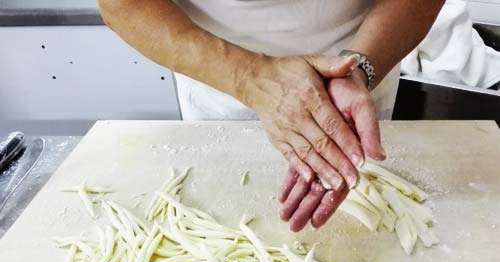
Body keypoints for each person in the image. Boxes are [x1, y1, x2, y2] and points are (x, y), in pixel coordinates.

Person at [99, 0, 444, 232]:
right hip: (217, 78)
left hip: (357, 78)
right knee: (225, 223)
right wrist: (248, 77)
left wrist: (357, 71)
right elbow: (123, 5)